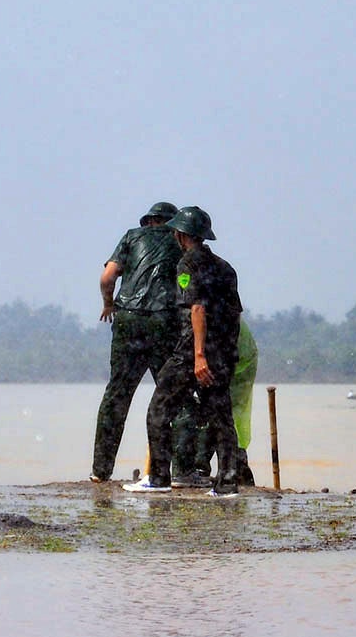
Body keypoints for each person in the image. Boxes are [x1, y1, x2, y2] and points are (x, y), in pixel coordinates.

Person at [124, 206, 243, 497]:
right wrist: (224, 354)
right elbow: (234, 315)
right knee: (221, 418)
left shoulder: (186, 265)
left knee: (159, 410)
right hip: (223, 352)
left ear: (181, 235)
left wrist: (199, 356)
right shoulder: (226, 268)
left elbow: (197, 308)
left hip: (192, 353)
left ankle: (158, 478)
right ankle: (227, 484)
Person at [90, 201, 181, 483]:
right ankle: (178, 470)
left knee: (117, 395)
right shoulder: (179, 242)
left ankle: (100, 470)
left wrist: (108, 304)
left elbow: (107, 277)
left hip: (128, 320)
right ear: (174, 224)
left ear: (149, 221)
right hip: (163, 321)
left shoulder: (131, 237)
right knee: (172, 394)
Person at [173, 319, 258, 487]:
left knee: (218, 410)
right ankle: (209, 468)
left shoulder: (201, 312)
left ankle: (214, 468)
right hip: (216, 353)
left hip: (231, 357)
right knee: (208, 409)